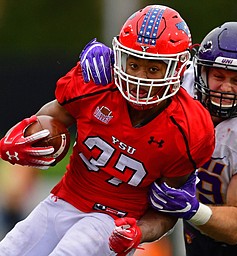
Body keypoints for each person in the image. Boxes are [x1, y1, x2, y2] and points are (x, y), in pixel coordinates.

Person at [0, 5, 215, 255]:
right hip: (64, 201)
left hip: (114, 222)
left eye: (153, 69)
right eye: (134, 65)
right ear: (121, 57)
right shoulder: (98, 80)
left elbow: (166, 211)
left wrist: (139, 233)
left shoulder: (189, 128)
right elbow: (52, 116)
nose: (140, 78)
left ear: (177, 68)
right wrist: (23, 136)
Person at [82, 21, 237, 256]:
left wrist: (192, 209)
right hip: (197, 228)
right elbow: (136, 75)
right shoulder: (177, 85)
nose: (225, 88)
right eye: (218, 75)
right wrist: (108, 60)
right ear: (200, 70)